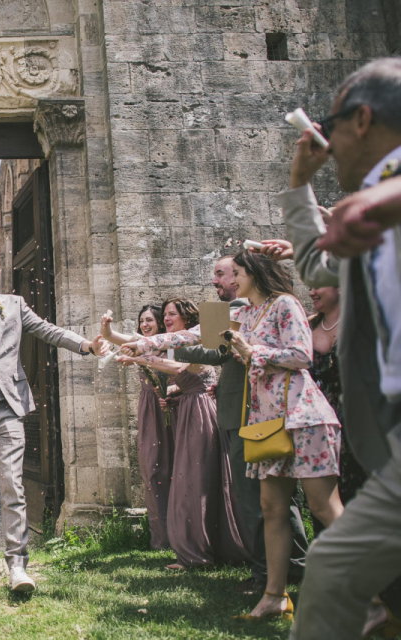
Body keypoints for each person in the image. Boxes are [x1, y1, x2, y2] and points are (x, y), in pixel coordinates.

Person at [264, 57, 401, 640]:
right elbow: (320, 263)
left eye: (331, 122)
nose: (326, 137)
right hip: (389, 427)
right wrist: (300, 186)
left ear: (362, 119)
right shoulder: (363, 203)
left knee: (333, 569)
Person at [0, 243, 107, 593]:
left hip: (11, 409)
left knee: (12, 486)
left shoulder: (14, 305)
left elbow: (48, 330)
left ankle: (17, 566)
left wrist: (86, 345)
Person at [215, 252, 343, 621]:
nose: (232, 280)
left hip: (303, 419)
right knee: (272, 509)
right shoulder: (246, 314)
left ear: (255, 273)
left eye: (236, 273)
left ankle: (376, 593)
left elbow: (302, 355)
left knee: (324, 508)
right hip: (268, 423)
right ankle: (274, 597)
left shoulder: (285, 304)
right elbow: (196, 334)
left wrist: (252, 351)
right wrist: (134, 341)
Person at [116, 297, 250, 571]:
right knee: (191, 478)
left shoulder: (195, 340)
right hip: (188, 409)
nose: (165, 319)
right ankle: (199, 548)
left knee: (195, 479)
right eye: (164, 314)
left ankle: (197, 553)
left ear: (186, 318)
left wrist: (142, 356)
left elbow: (186, 368)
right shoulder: (176, 342)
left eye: (170, 314)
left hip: (200, 410)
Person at [100, 304, 174, 549]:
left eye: (150, 320)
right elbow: (111, 336)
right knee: (153, 469)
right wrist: (106, 324)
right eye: (142, 320)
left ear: (160, 323)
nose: (145, 324)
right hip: (149, 407)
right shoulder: (139, 341)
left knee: (175, 466)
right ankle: (160, 537)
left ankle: (180, 532)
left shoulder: (169, 343)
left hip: (171, 404)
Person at [305, 287, 367, 534]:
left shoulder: (363, 323)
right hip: (317, 421)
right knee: (322, 497)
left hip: (359, 420)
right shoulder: (306, 327)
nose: (310, 292)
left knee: (360, 490)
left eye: (317, 285)